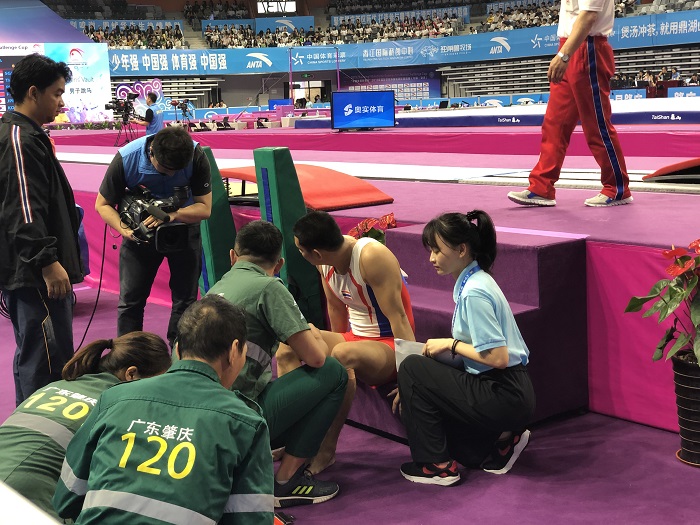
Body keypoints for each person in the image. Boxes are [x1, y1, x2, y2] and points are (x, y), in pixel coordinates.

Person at [53, 296, 275, 524]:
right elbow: (251, 520)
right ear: (235, 350)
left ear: (177, 349)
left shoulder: (114, 397)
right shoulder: (246, 423)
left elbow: (66, 498)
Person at [206, 220, 347, 508]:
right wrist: (313, 332)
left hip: (200, 418)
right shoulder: (269, 287)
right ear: (279, 263)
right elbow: (316, 358)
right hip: (233, 419)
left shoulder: (216, 288)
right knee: (333, 372)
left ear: (233, 256)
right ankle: (286, 481)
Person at [397, 211, 536, 486]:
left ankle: (437, 467)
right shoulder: (477, 280)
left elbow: (498, 357)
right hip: (510, 389)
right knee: (467, 452)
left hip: (503, 391)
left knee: (412, 368)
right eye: (430, 250)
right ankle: (503, 440)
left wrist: (451, 344)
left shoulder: (474, 292)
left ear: (461, 250)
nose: (431, 258)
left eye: (437, 250)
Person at [277, 210, 416, 474]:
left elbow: (400, 319)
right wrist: (328, 354)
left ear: (316, 253)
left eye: (301, 251)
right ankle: (295, 438)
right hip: (354, 339)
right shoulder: (324, 263)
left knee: (342, 354)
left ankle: (326, 448)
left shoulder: (371, 257)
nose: (300, 255)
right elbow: (336, 310)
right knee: (289, 343)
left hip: (388, 344)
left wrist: (411, 377)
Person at [0, 332, 171, 518]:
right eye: (158, 383)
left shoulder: (55, 386)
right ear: (131, 374)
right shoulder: (121, 408)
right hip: (25, 503)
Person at [0, 53, 83, 405]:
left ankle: (30, 427)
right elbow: (22, 209)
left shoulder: (27, 135)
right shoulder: (19, 139)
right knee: (46, 361)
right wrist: (47, 261)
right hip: (35, 274)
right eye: (57, 93)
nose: (61, 102)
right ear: (33, 93)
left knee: (40, 353)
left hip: (33, 270)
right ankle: (38, 433)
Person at [507, 0, 633, 208]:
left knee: (596, 125)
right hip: (571, 44)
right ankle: (542, 186)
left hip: (587, 47)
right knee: (555, 124)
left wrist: (564, 55)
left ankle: (617, 188)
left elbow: (589, 15)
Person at [95, 126, 212, 347]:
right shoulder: (126, 158)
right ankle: (129, 354)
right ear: (151, 153)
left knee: (185, 300)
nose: (172, 174)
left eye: (178, 170)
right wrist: (124, 229)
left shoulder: (196, 156)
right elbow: (102, 204)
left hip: (182, 230)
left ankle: (180, 352)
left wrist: (173, 215)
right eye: (166, 169)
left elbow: (205, 208)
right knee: (130, 301)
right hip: (140, 237)